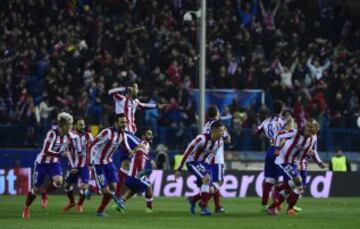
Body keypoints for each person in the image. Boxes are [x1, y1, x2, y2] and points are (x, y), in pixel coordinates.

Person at [108, 82, 166, 197]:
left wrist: (157, 106)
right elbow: (110, 92)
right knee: (142, 145)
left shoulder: (135, 102)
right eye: (135, 88)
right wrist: (124, 88)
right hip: (125, 132)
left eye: (137, 88)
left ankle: (117, 194)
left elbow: (144, 106)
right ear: (130, 90)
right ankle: (151, 163)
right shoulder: (121, 98)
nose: (137, 90)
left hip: (129, 134)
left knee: (125, 164)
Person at [266, 119, 326, 216]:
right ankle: (279, 192)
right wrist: (277, 148)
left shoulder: (314, 138)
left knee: (292, 188)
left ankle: (274, 207)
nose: (308, 131)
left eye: (311, 130)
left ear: (314, 132)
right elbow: (279, 134)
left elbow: (313, 151)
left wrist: (319, 163)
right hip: (283, 160)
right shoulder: (296, 132)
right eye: (308, 127)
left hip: (293, 162)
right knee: (298, 182)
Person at [22, 112, 74, 219]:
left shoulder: (68, 136)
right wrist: (60, 154)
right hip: (41, 163)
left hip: (54, 163)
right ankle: (26, 208)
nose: (71, 126)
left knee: (59, 181)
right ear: (64, 125)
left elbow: (69, 148)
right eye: (70, 124)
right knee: (35, 189)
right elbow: (46, 151)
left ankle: (45, 192)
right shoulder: (52, 134)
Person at [175, 120, 226, 216]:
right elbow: (187, 151)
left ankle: (193, 199)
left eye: (223, 131)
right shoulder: (201, 138)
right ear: (214, 131)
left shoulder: (219, 142)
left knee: (215, 186)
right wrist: (179, 168)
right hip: (193, 162)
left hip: (204, 164)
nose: (223, 133)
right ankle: (204, 208)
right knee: (206, 178)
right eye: (221, 131)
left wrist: (207, 166)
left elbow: (211, 155)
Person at [90, 113, 135, 217]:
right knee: (105, 191)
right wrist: (90, 161)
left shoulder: (123, 134)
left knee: (114, 187)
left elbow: (127, 148)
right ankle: (100, 210)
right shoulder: (107, 132)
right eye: (122, 122)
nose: (124, 124)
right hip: (98, 164)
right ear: (116, 122)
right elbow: (93, 144)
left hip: (109, 163)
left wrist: (134, 151)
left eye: (125, 122)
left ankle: (98, 199)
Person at [116, 128, 155, 213]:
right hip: (136, 175)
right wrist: (141, 170)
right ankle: (149, 209)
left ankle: (121, 202)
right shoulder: (145, 143)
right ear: (143, 136)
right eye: (148, 134)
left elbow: (138, 154)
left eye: (151, 134)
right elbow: (139, 155)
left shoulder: (139, 145)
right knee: (149, 186)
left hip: (130, 176)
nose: (151, 136)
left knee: (134, 189)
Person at [256, 100, 286, 211]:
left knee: (270, 178)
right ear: (281, 109)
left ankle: (265, 203)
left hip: (270, 150)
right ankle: (278, 200)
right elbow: (289, 134)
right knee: (287, 177)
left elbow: (256, 132)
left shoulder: (266, 121)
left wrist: (266, 134)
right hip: (280, 150)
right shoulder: (282, 121)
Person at [202, 105, 231, 213]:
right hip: (217, 157)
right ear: (217, 114)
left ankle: (217, 206)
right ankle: (198, 199)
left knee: (214, 182)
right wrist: (226, 133)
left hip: (207, 157)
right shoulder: (219, 126)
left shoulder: (206, 125)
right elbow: (228, 140)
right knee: (219, 181)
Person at [63, 117, 94, 213]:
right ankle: (72, 202)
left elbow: (94, 148)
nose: (82, 126)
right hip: (73, 165)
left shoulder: (89, 136)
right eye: (80, 125)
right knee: (67, 185)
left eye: (83, 124)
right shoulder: (68, 136)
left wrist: (92, 163)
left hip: (85, 165)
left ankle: (80, 204)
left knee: (83, 186)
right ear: (75, 125)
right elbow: (65, 151)